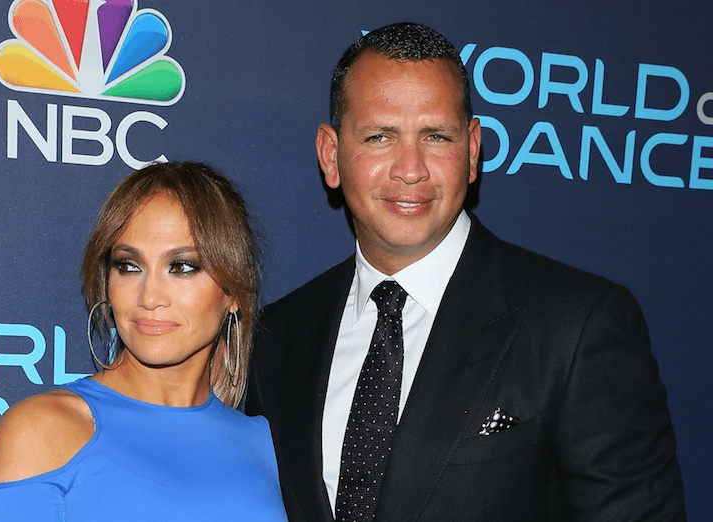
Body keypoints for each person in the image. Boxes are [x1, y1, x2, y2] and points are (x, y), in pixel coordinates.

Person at [246, 22, 686, 521]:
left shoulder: (577, 326)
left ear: (472, 151)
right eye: (379, 136)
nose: (410, 169)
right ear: (331, 156)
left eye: (436, 136)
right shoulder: (276, 338)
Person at [0, 161, 288, 521]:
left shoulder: (267, 444)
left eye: (182, 267)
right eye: (128, 266)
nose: (149, 296)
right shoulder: (43, 429)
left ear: (232, 292)